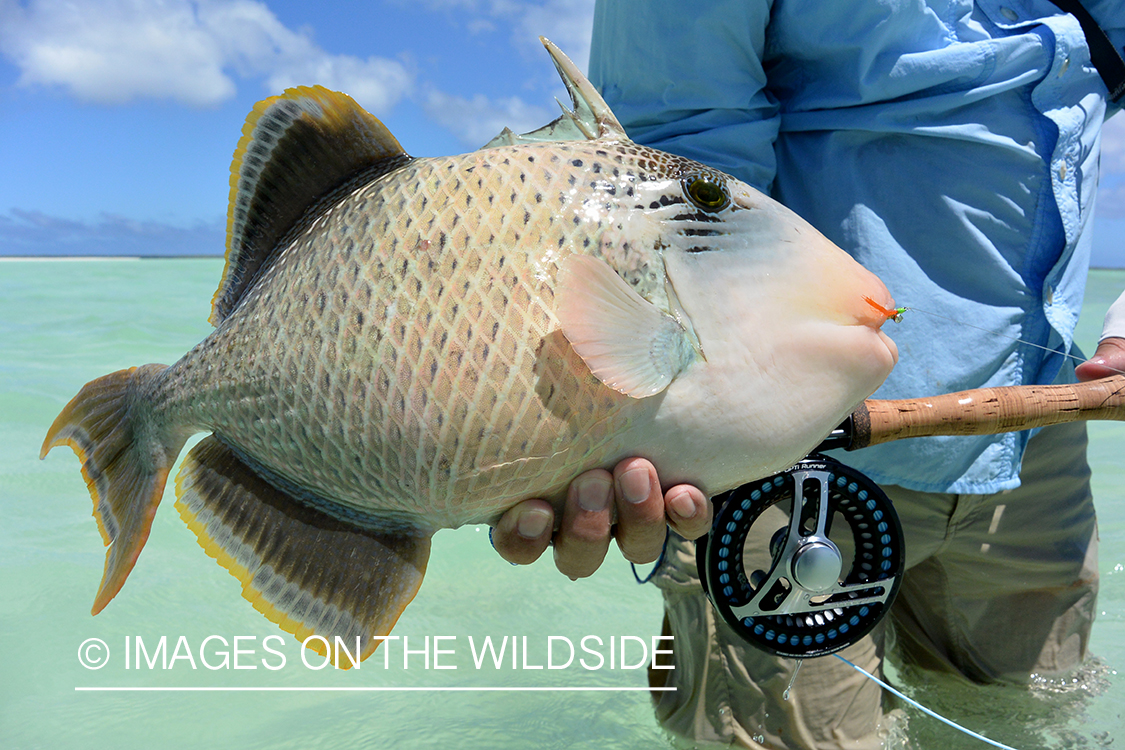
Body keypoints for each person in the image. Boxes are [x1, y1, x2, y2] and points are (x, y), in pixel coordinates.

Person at [494, 1, 1125, 747]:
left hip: (1038, 440)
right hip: (776, 464)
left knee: (1036, 719)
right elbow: (675, 176)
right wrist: (590, 421)